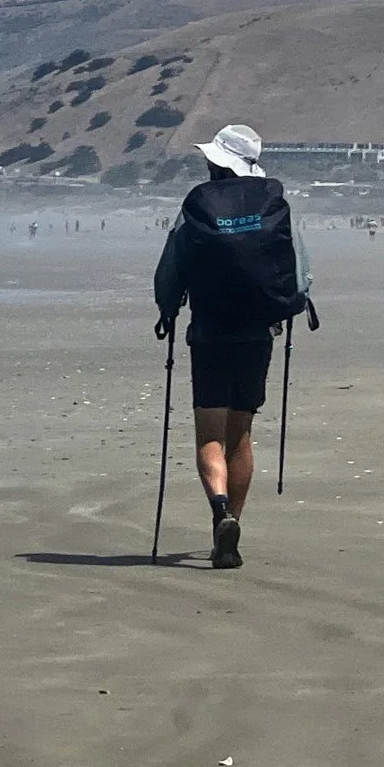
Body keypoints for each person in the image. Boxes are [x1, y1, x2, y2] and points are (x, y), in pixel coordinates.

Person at [153, 124, 312, 569]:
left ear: (215, 163)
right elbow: (299, 269)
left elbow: (170, 269)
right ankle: (232, 527)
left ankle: (220, 511)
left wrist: (167, 310)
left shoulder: (197, 208)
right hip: (258, 333)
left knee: (209, 434)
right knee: (240, 433)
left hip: (210, 332)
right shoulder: (273, 206)